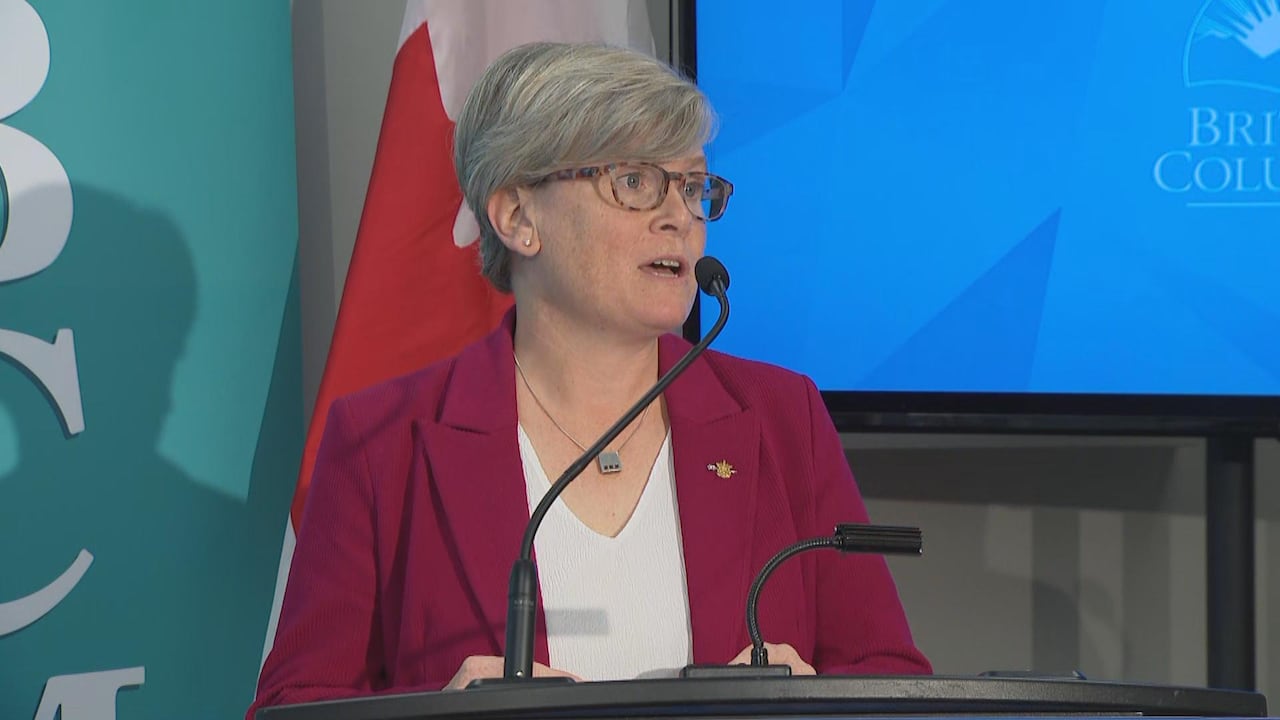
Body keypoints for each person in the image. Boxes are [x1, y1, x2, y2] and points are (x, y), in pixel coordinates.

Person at [248, 41, 930, 716]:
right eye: (633, 182)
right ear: (518, 217)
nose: (678, 218)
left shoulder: (784, 417)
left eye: (692, 187)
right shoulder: (383, 440)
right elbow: (293, 705)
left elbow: (889, 676)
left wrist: (817, 699)